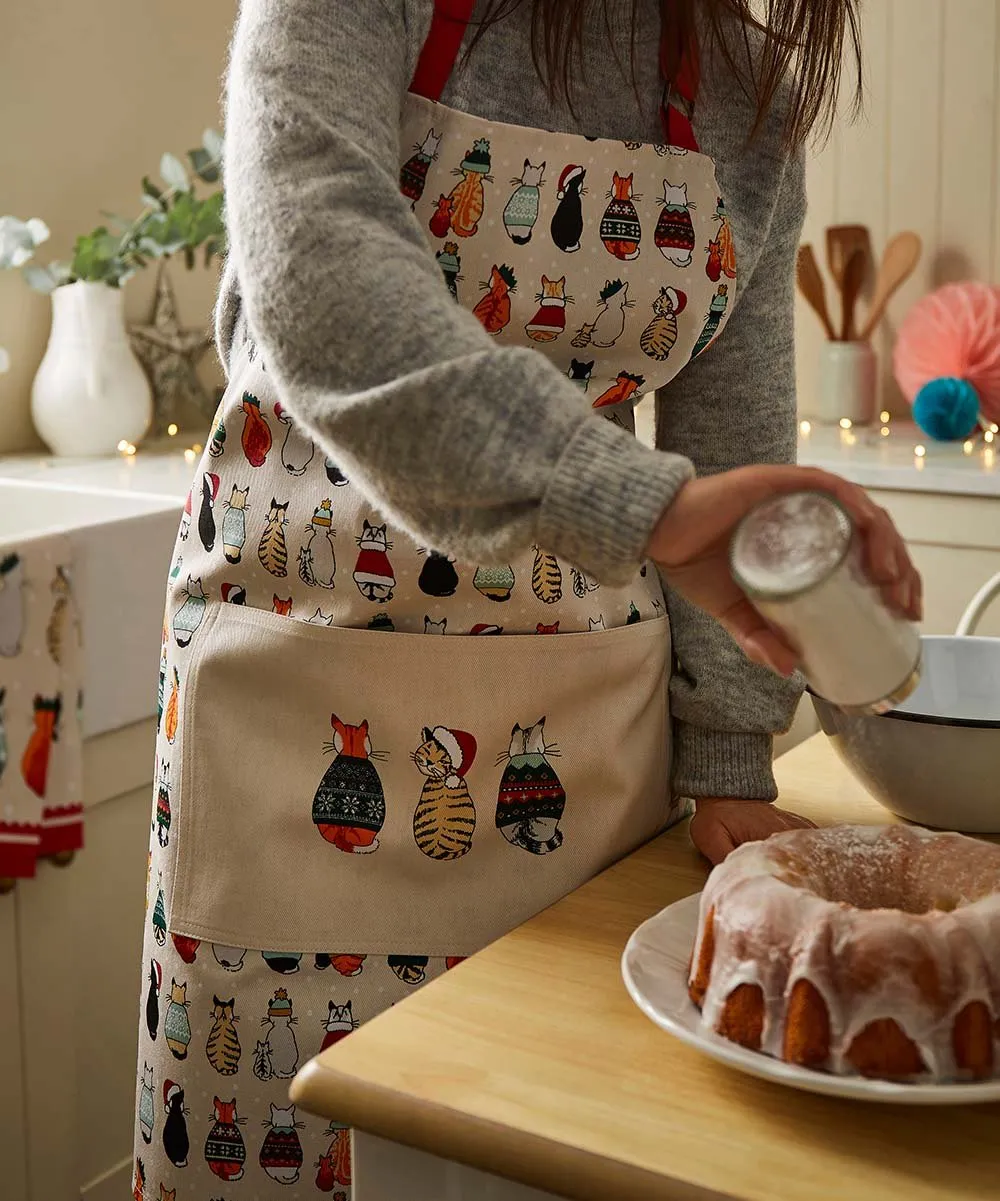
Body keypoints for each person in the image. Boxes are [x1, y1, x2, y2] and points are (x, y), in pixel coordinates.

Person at [133, 1, 920, 1196]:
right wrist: (635, 506)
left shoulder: (743, 88)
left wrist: (724, 758)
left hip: (580, 774)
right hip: (289, 734)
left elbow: (727, 438)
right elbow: (321, 274)